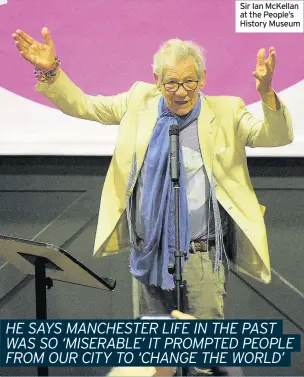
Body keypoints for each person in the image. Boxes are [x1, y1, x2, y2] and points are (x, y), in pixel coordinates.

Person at [12, 28, 293, 376]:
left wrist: (266, 93)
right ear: (156, 82)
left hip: (202, 257)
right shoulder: (138, 102)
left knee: (206, 362)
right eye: (172, 83)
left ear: (202, 78)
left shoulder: (227, 111)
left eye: (190, 82)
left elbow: (276, 136)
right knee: (155, 358)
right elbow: (84, 105)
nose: (181, 92)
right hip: (150, 255)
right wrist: (51, 71)